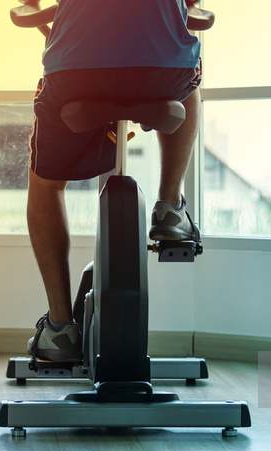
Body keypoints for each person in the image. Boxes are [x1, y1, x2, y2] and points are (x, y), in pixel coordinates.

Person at [26, 0, 202, 362]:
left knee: (46, 184)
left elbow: (26, 8)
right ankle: (170, 207)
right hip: (161, 68)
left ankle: (60, 328)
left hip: (76, 70)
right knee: (189, 82)